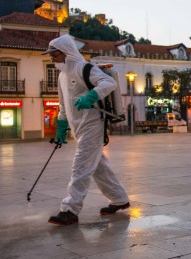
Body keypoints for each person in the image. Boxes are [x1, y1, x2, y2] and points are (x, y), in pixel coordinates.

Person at [42, 35, 130, 226]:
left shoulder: (84, 68)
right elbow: (63, 104)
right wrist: (61, 126)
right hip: (77, 127)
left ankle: (70, 210)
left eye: (53, 54)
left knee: (80, 166)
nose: (51, 58)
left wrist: (91, 96)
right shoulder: (62, 75)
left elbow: (109, 83)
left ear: (65, 52)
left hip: (92, 124)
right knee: (99, 167)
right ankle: (119, 199)